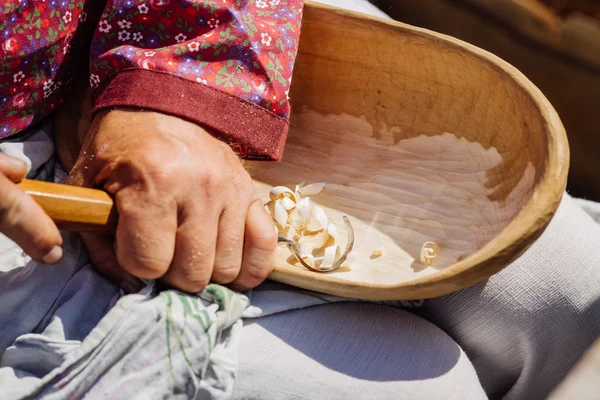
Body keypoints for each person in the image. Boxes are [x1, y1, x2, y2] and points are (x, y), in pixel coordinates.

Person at [1, 1, 599, 399]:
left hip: (135, 32)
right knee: (416, 387)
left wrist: (178, 85)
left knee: (572, 291)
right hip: (21, 201)